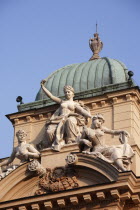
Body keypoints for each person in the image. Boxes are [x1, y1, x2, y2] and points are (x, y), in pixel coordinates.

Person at [40, 80, 92, 151]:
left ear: (73, 94)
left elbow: (82, 111)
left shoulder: (75, 104)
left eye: (68, 92)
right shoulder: (62, 102)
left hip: (70, 117)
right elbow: (51, 96)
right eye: (66, 92)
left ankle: (71, 140)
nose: (67, 93)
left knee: (69, 120)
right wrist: (43, 87)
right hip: (59, 119)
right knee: (49, 131)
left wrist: (90, 116)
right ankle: (53, 145)